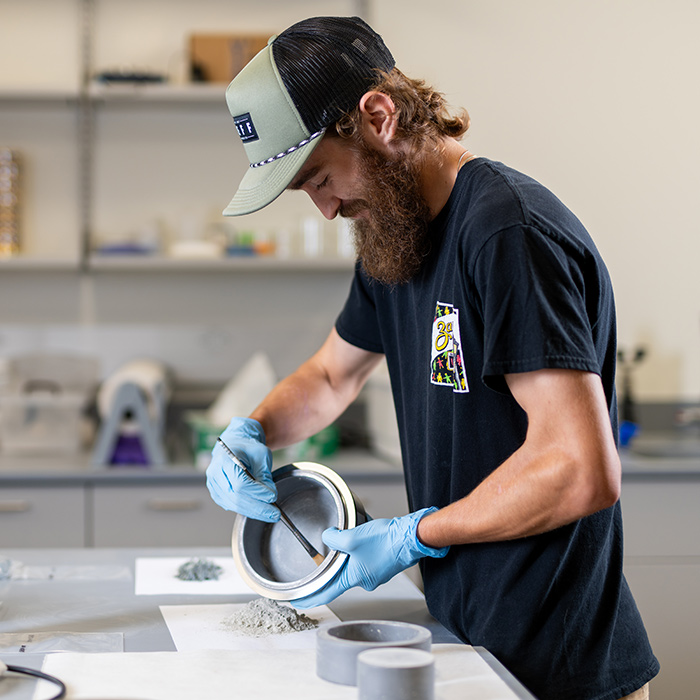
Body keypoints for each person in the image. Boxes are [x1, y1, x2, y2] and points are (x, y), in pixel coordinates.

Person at [205, 16, 659, 700]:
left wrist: (416, 533)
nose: (326, 210)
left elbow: (579, 469)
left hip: (557, 667)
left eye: (321, 178)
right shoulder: (395, 235)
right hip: (468, 640)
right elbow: (333, 375)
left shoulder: (507, 232)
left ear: (379, 117)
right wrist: (252, 434)